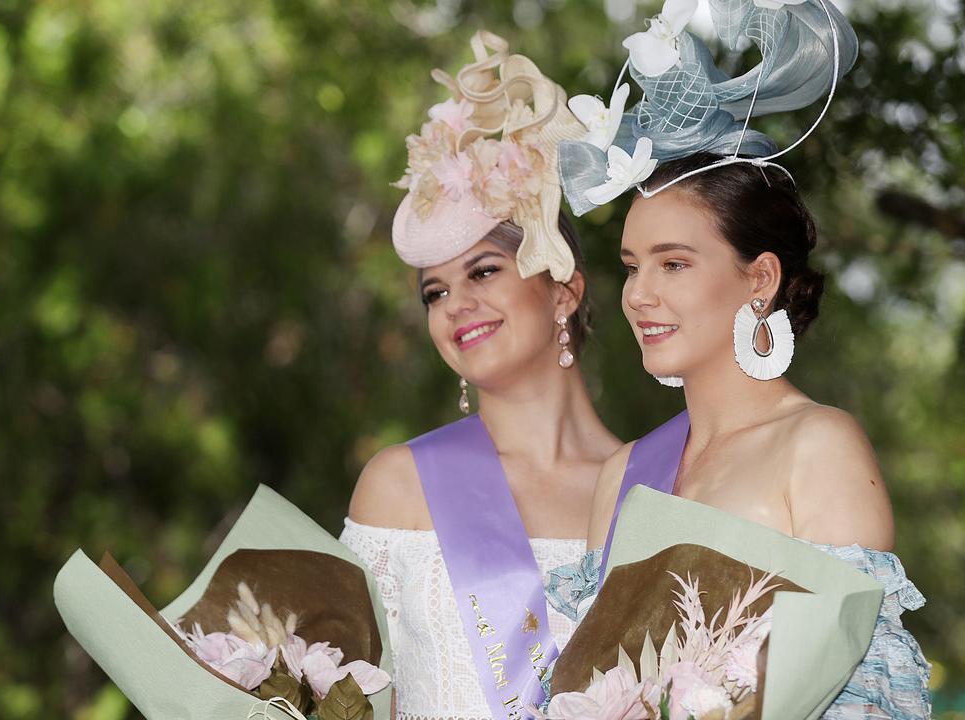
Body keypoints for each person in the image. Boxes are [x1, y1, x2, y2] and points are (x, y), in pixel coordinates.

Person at [556, 0, 932, 716]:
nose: (639, 294)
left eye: (673, 264)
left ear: (759, 279)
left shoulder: (819, 448)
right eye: (632, 265)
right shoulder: (621, 476)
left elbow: (868, 699)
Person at [339, 32, 620, 720]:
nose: (455, 304)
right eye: (434, 292)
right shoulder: (399, 487)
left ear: (564, 290)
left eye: (483, 271)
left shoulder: (663, 487)